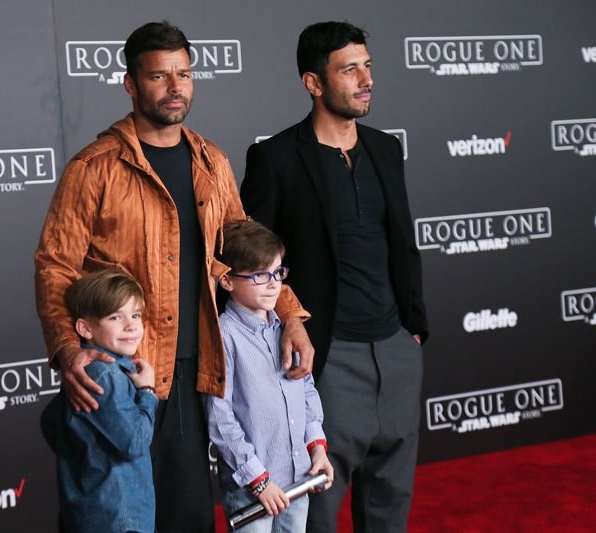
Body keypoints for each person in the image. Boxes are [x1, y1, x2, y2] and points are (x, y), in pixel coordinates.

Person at [34, 21, 313, 532]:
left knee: (186, 518)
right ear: (131, 83)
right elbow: (56, 265)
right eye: (159, 76)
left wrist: (290, 315)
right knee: (114, 518)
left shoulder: (212, 162)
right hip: (118, 374)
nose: (175, 86)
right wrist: (67, 349)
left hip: (191, 371)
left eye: (183, 74)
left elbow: (246, 254)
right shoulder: (93, 168)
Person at [240, 21, 429, 533]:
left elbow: (402, 243)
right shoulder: (276, 158)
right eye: (349, 70)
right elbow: (250, 260)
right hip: (324, 355)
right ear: (314, 83)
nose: (366, 80)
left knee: (391, 501)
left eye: (367, 66)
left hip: (394, 348)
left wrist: (412, 331)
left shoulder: (385, 148)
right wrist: (291, 321)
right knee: (315, 508)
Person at [205, 220, 334, 533]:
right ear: (227, 281)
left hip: (300, 478)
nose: (274, 284)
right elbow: (220, 418)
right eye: (260, 275)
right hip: (252, 489)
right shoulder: (224, 337)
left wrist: (317, 448)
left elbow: (306, 391)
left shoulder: (286, 328)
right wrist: (258, 480)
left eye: (278, 272)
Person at [41, 268, 157, 533]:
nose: (131, 325)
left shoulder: (91, 372)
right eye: (115, 317)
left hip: (88, 514)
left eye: (135, 315)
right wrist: (148, 392)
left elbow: (49, 421)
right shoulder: (105, 375)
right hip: (120, 519)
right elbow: (133, 442)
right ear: (85, 328)